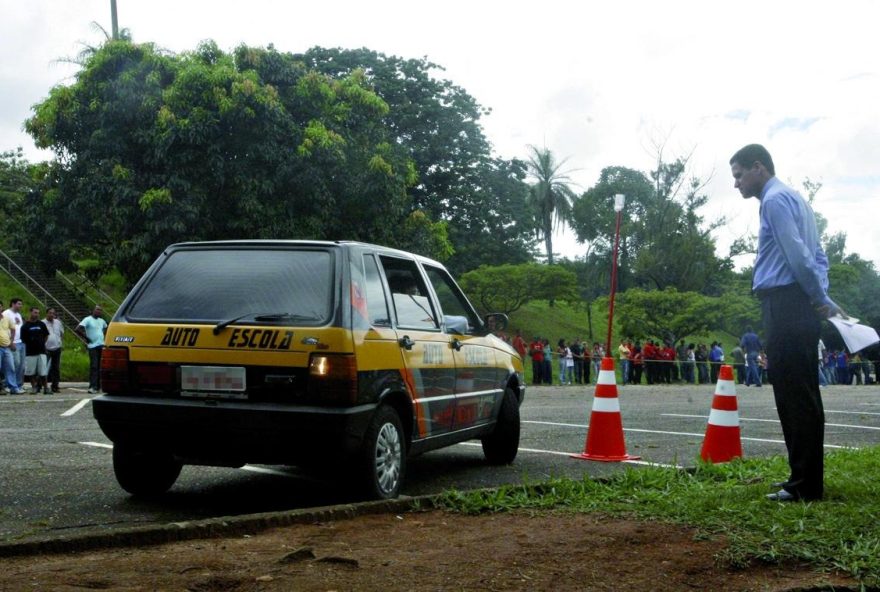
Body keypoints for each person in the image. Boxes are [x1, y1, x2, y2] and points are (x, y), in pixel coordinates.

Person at [731, 143, 842, 502]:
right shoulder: (797, 199)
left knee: (793, 394)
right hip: (799, 302)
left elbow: (797, 255)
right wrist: (821, 295)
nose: (737, 184)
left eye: (738, 175)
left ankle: (803, 486)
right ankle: (806, 479)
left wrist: (819, 298)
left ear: (758, 168)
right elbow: (818, 255)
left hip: (786, 302)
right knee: (805, 393)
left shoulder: (774, 201)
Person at [76, 305, 108, 394]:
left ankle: (98, 386)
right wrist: (86, 338)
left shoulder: (102, 321)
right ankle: (92, 386)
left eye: (100, 310)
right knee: (94, 366)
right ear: (93, 311)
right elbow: (78, 329)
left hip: (101, 345)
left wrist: (103, 336)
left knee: (100, 366)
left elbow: (106, 328)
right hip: (92, 346)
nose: (99, 311)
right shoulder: (88, 319)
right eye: (97, 310)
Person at [21, 307, 50, 394]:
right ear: (30, 312)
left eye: (38, 313)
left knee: (43, 372)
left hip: (41, 351)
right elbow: (23, 339)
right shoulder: (25, 326)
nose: (36, 315)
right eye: (35, 313)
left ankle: (46, 388)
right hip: (30, 352)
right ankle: (34, 387)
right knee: (31, 372)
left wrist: (42, 343)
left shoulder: (41, 324)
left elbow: (46, 335)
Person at [2, 298, 25, 392]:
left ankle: (18, 385)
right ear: (13, 304)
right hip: (13, 342)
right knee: (13, 364)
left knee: (21, 366)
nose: (21, 306)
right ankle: (7, 384)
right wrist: (10, 342)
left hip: (21, 342)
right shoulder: (6, 313)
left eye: (21, 304)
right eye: (19, 304)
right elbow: (4, 329)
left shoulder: (18, 315)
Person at [43, 307, 64, 393]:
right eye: (50, 313)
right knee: (43, 368)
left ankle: (55, 385)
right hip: (46, 348)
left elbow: (62, 333)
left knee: (56, 368)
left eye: (53, 313)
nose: (52, 315)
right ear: (47, 313)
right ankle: (41, 385)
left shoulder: (58, 322)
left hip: (57, 348)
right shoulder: (42, 323)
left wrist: (60, 342)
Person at [0, 309, 19, 394]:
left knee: (11, 367)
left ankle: (13, 388)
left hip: (6, 347)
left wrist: (11, 341)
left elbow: (13, 329)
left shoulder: (7, 318)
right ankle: (1, 388)